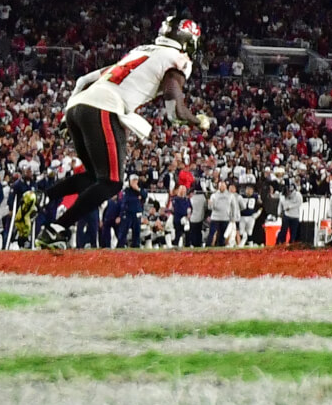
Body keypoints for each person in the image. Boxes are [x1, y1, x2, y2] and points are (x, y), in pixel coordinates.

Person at [38, 15, 208, 250]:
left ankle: (43, 197)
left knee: (95, 177)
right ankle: (55, 229)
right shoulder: (178, 59)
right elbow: (174, 110)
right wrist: (197, 121)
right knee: (111, 182)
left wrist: (69, 114)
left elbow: (83, 79)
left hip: (77, 107)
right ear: (188, 41)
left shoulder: (141, 50)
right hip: (104, 107)